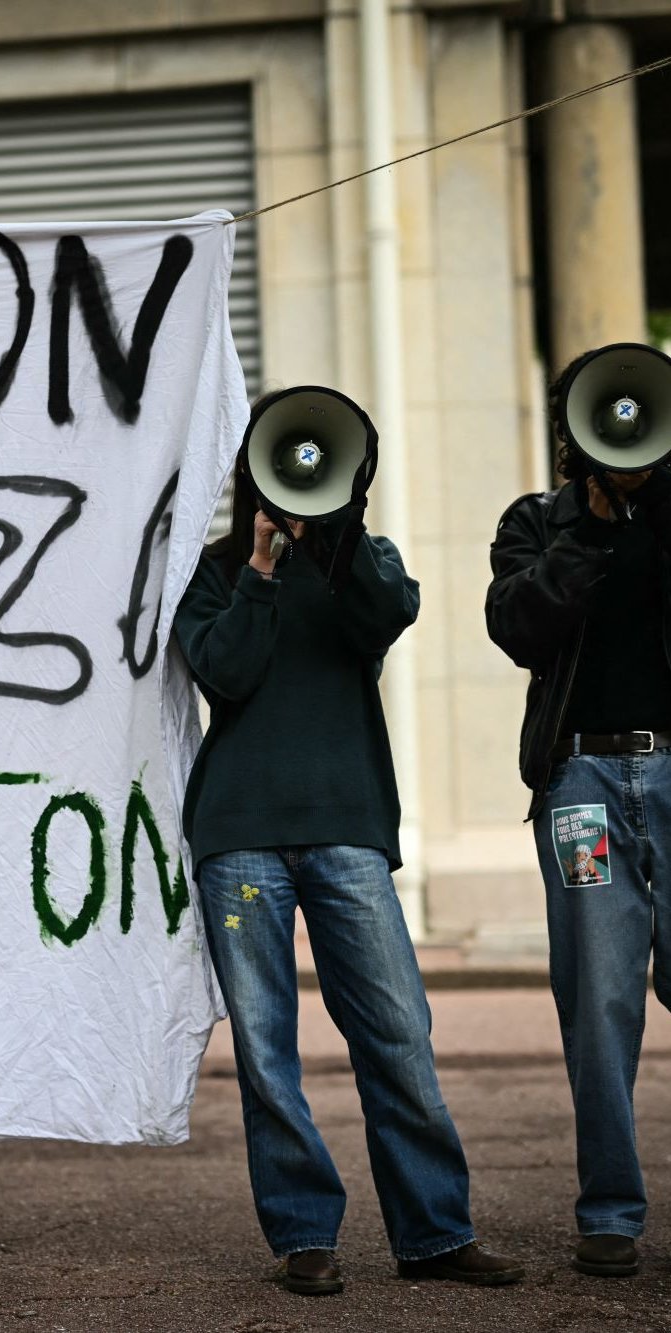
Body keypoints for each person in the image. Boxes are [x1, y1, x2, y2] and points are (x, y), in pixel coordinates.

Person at [174, 428, 522, 1295]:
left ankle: (435, 1232)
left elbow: (383, 616)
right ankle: (303, 1234)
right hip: (240, 834)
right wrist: (258, 568)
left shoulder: (366, 562)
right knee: (264, 1048)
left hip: (346, 827)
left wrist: (343, 532)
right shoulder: (213, 573)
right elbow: (222, 672)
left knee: (397, 1035)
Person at [485, 361, 671, 1278]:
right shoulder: (535, 523)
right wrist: (589, 534)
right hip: (581, 787)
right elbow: (517, 627)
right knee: (598, 1002)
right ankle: (609, 1211)